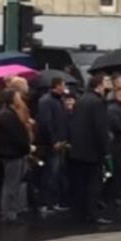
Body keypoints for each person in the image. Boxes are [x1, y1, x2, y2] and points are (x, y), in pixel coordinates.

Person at [68, 75, 112, 225]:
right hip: (92, 149)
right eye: (106, 82)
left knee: (82, 182)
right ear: (99, 85)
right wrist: (106, 149)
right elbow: (100, 128)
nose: (108, 84)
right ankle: (92, 214)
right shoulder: (97, 102)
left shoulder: (81, 100)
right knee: (94, 183)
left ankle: (81, 212)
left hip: (79, 148)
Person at [0, 91, 31, 224]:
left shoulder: (9, 113)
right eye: (17, 97)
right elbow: (16, 135)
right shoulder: (6, 115)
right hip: (12, 153)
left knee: (13, 183)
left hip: (15, 152)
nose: (19, 99)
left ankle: (12, 210)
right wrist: (26, 146)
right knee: (11, 184)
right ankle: (9, 213)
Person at [35, 79, 71, 214]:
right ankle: (45, 202)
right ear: (57, 86)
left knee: (58, 173)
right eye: (63, 85)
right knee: (50, 173)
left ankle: (55, 201)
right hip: (51, 144)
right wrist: (54, 140)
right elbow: (46, 122)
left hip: (61, 141)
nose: (65, 87)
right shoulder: (46, 101)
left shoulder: (59, 100)